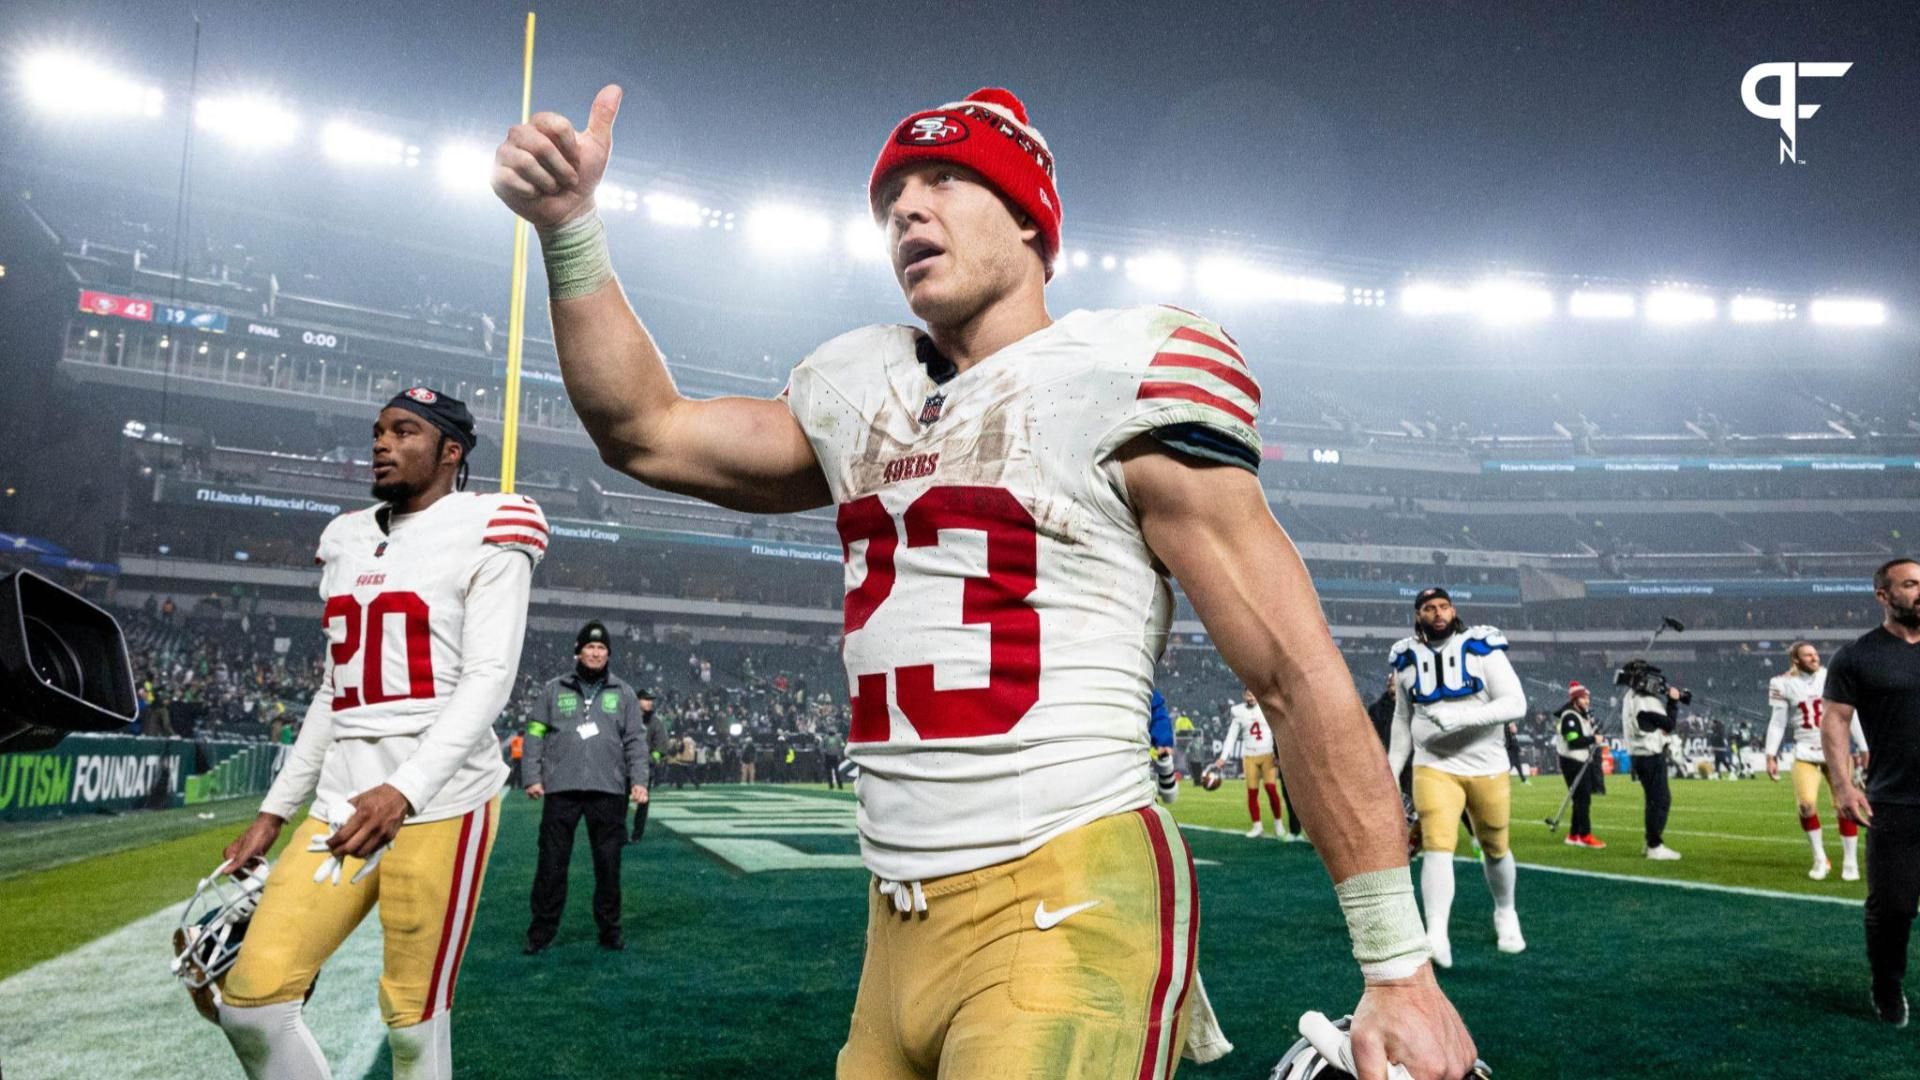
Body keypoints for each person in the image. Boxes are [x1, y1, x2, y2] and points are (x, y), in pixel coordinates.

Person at [493, 84, 1475, 1079]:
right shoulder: (855, 388)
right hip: (893, 930)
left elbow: (1293, 673)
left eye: (946, 180)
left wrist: (1397, 966)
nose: (908, 211)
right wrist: (571, 230)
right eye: (891, 200)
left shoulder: (1121, 372)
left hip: (1069, 890)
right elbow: (646, 431)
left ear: (1030, 221)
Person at [210, 387, 544, 1079]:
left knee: (413, 1026)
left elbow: (489, 677)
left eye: (405, 431)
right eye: (378, 431)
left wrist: (406, 790)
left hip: (442, 801)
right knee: (250, 1001)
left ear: (452, 452)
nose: (382, 443)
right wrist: (273, 814)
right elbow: (335, 692)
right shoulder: (346, 536)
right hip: (342, 799)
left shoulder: (492, 523)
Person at [1387, 588, 1528, 967]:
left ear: (1454, 610)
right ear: (1418, 615)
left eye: (1443, 606)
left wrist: (1461, 718)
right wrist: (1391, 766)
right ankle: (1436, 932)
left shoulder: (1482, 647)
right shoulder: (1405, 659)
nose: (1437, 613)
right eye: (1429, 608)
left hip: (1487, 764)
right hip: (1433, 764)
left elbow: (1516, 702)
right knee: (1436, 845)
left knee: (1495, 845)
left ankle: (1505, 911)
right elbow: (1402, 719)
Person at [1822, 557, 1920, 1028]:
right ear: (1883, 595)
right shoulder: (1857, 656)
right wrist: (1842, 784)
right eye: (1910, 584)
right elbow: (1836, 720)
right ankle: (1887, 985)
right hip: (1896, 800)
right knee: (1895, 906)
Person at [523, 621, 650, 953]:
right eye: (590, 647)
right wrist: (532, 776)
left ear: (608, 654)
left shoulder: (623, 693)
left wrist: (639, 781)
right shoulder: (553, 689)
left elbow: (636, 740)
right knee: (551, 864)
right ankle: (540, 933)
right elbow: (534, 734)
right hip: (561, 789)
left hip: (608, 791)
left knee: (608, 866)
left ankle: (610, 931)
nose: (595, 653)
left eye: (602, 648)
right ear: (578, 650)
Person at [1766, 642, 1864, 881]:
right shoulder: (1782, 683)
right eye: (1808, 655)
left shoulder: (1832, 677)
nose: (1814, 658)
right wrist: (1771, 753)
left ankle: (1850, 861)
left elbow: (1849, 715)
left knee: (1845, 806)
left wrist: (1863, 745)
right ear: (1796, 660)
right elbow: (1778, 722)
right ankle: (1820, 858)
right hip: (1804, 752)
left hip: (1837, 751)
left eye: (1815, 654)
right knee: (1806, 805)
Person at [1618, 660, 1685, 860]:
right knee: (1661, 800)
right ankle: (1655, 845)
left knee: (1653, 800)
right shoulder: (1645, 702)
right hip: (1649, 755)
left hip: (1638, 755)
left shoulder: (1630, 697)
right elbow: (1668, 725)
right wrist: (1673, 702)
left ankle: (1650, 842)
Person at [1216, 688, 1285, 838]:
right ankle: (1257, 826)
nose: (1251, 696)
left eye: (1253, 693)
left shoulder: (1265, 708)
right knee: (1252, 792)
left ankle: (1278, 824)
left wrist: (1279, 753)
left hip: (1267, 755)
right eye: (1248, 694)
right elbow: (1231, 736)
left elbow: (1277, 731)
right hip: (1249, 756)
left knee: (1271, 790)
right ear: (1244, 695)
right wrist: (1223, 757)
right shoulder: (1238, 712)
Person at [1555, 682, 1605, 849]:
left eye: (1587, 697)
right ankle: (1585, 835)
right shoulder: (1570, 716)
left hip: (1580, 761)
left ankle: (1574, 834)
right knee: (1583, 799)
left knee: (1580, 799)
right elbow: (1573, 741)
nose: (1587, 701)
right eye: (1584, 698)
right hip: (1572, 761)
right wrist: (1593, 739)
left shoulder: (1581, 715)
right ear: (1575, 699)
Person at [631, 688, 665, 841]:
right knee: (617, 802)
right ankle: (618, 833)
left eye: (651, 700)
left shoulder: (655, 722)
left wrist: (653, 758)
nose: (649, 702)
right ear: (637, 700)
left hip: (644, 768)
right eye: (646, 699)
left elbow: (661, 745)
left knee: (643, 803)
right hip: (625, 767)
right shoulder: (627, 718)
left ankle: (637, 834)